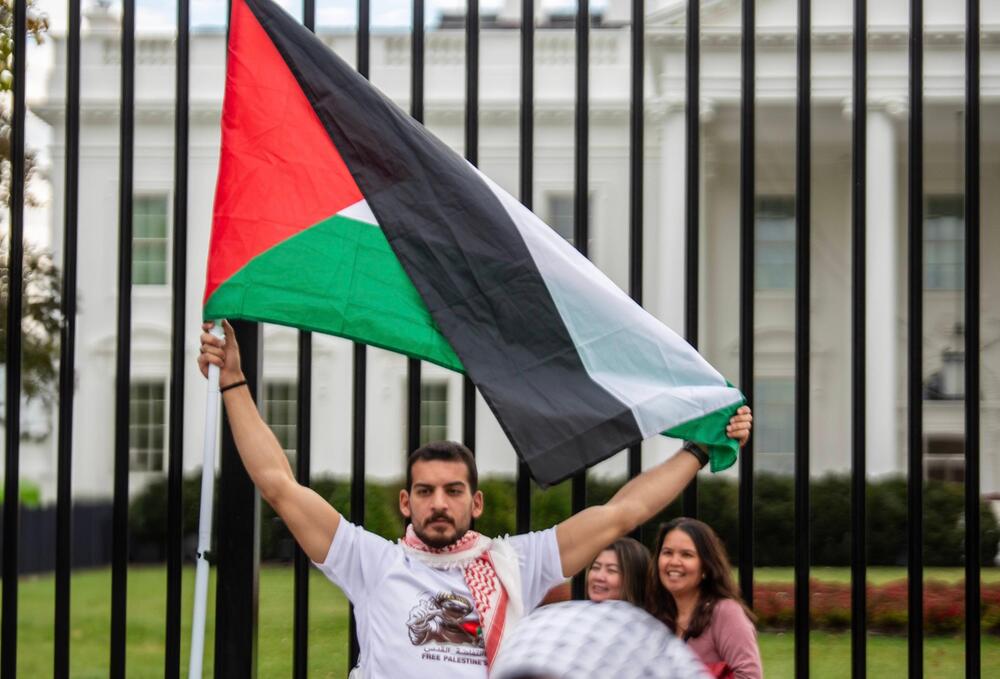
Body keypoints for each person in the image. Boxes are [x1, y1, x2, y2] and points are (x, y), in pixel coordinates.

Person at [198, 320, 752, 678]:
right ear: (406, 503)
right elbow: (278, 484)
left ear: (476, 503)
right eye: (426, 491)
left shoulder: (518, 563)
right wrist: (235, 381)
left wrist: (699, 451)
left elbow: (622, 513)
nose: (440, 503)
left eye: (453, 491)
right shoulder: (370, 561)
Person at [646, 518, 763, 679]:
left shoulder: (725, 612)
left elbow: (750, 677)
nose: (674, 562)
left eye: (686, 555)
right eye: (667, 553)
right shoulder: (654, 615)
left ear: (706, 567)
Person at [586, 536, 651, 605]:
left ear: (634, 579)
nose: (598, 577)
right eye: (595, 567)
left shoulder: (639, 615)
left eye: (611, 570)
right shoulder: (577, 609)